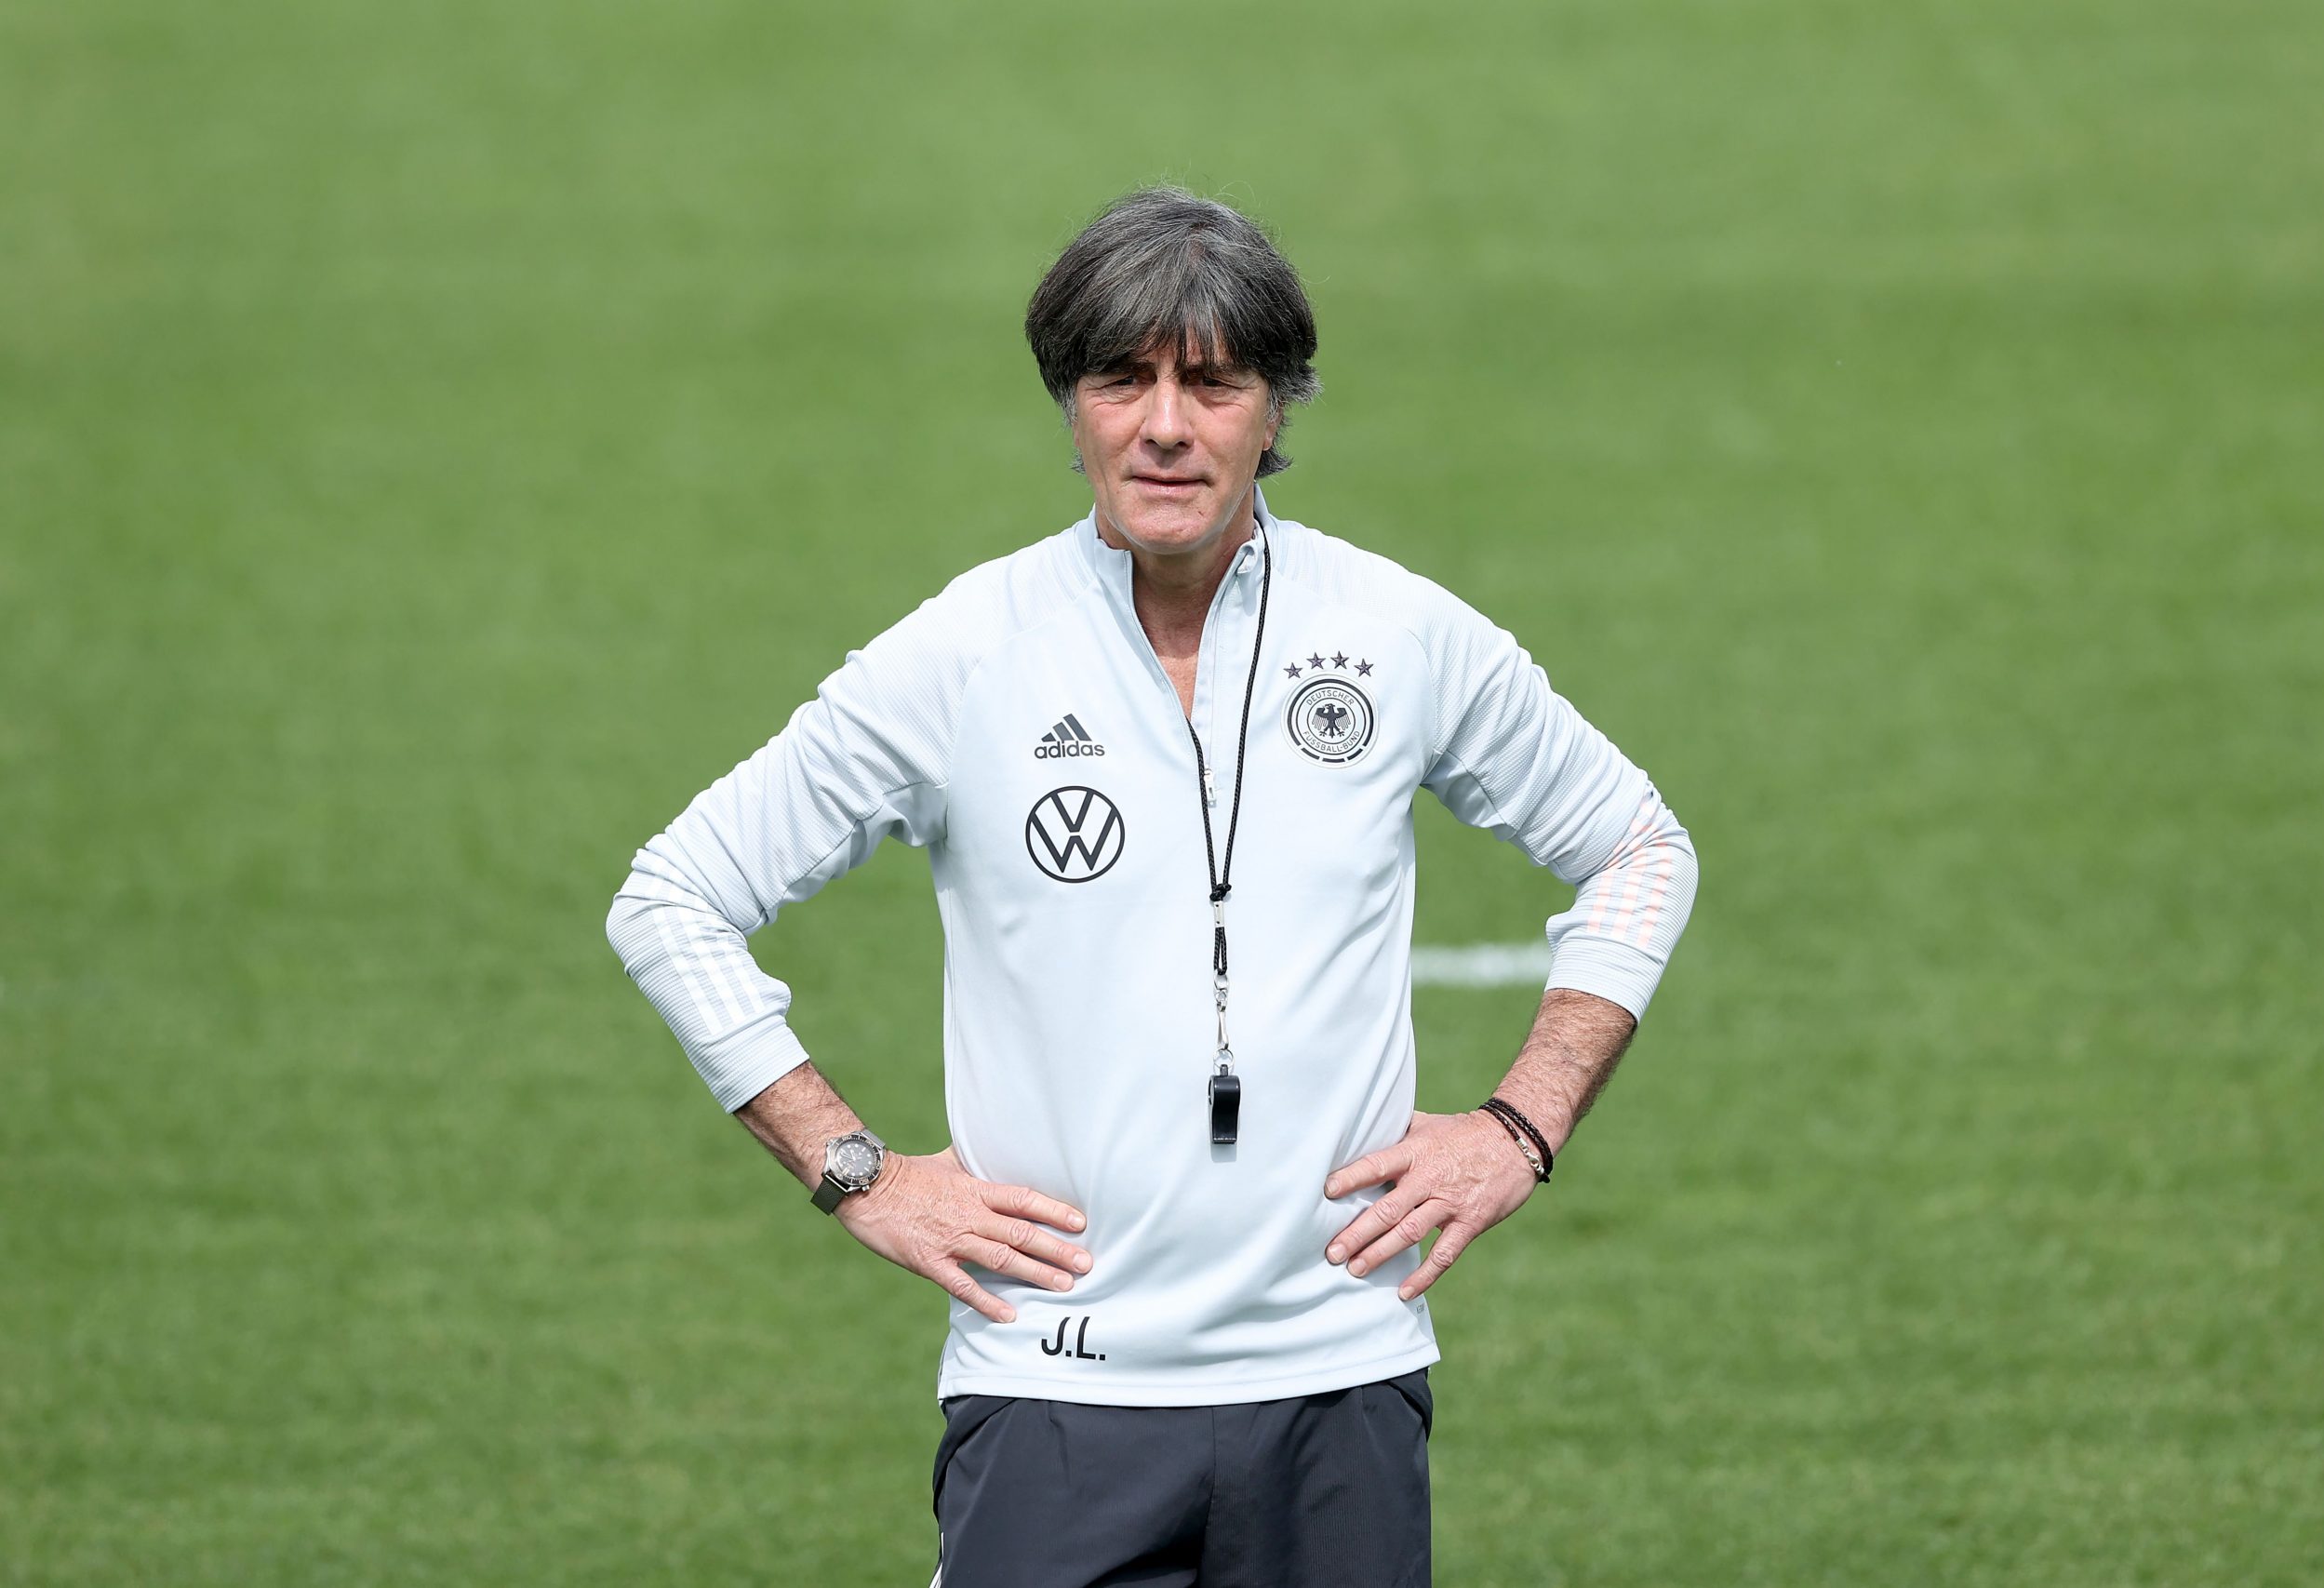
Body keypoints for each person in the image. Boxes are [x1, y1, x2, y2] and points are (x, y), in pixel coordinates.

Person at [607, 187, 1698, 1587]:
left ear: (1276, 407)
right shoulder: (965, 657)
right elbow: (672, 896)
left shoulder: (1397, 634)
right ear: (1071, 404)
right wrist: (855, 1172)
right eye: (1122, 380)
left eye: (1213, 383)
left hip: (1339, 1385)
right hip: (1054, 1396)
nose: (1165, 427)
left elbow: (1638, 846)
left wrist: (1520, 1126)